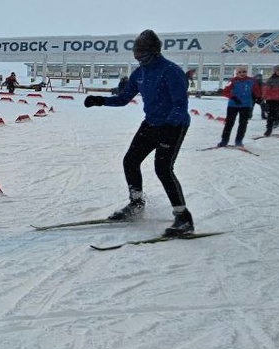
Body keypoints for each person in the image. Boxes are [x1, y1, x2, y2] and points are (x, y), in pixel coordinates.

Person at [83, 29, 195, 237]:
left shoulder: (171, 71)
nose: (138, 56)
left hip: (174, 125)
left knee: (163, 168)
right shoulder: (139, 73)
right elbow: (124, 98)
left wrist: (170, 126)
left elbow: (180, 104)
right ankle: (136, 204)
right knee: (130, 161)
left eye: (142, 52)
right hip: (151, 123)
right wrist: (100, 100)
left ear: (154, 51)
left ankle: (183, 218)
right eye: (136, 52)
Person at [217, 66, 259, 147]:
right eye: (239, 72)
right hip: (233, 105)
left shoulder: (251, 81)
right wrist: (233, 97)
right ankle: (224, 140)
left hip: (246, 105)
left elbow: (257, 91)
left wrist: (258, 98)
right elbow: (225, 92)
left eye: (244, 72)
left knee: (243, 124)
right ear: (236, 73)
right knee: (229, 123)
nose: (242, 74)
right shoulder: (232, 81)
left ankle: (239, 141)